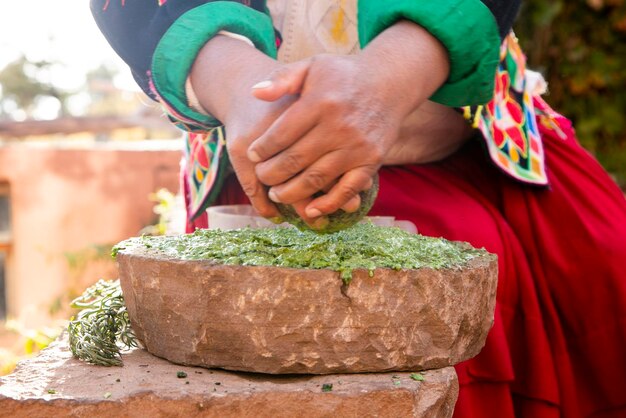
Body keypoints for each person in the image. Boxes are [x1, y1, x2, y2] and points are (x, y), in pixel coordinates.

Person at [91, 1, 626, 417]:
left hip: (475, 137)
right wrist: (241, 86)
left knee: (606, 266)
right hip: (267, 158)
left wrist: (393, 75)